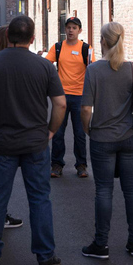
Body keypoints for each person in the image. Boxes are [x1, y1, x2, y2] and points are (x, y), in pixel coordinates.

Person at [0, 15, 66, 265]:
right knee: (39, 200)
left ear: (8, 36)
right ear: (32, 38)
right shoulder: (45, 67)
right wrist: (51, 131)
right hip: (35, 142)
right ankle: (45, 256)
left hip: (2, 143)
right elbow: (60, 103)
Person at [81, 22, 133, 259]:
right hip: (129, 136)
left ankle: (101, 244)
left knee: (104, 191)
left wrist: (89, 130)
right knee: (132, 190)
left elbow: (86, 108)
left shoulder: (94, 70)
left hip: (102, 138)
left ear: (103, 42)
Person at [45, 16, 94, 178]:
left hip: (80, 96)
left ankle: (81, 165)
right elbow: (46, 65)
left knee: (80, 133)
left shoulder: (86, 48)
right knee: (58, 132)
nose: (71, 30)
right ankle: (57, 165)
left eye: (74, 28)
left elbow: (93, 71)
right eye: (68, 27)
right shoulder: (58, 47)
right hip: (61, 97)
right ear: (64, 30)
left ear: (80, 30)